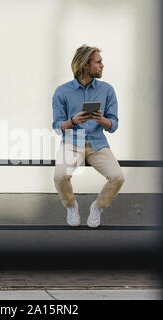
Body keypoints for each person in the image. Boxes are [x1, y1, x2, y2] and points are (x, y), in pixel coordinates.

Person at [52, 44, 125, 228]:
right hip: (72, 141)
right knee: (60, 176)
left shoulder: (107, 90)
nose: (102, 65)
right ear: (85, 65)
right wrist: (74, 120)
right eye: (98, 62)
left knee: (118, 176)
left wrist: (101, 120)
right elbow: (57, 125)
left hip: (97, 143)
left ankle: (98, 207)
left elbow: (113, 124)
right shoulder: (62, 92)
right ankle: (70, 205)